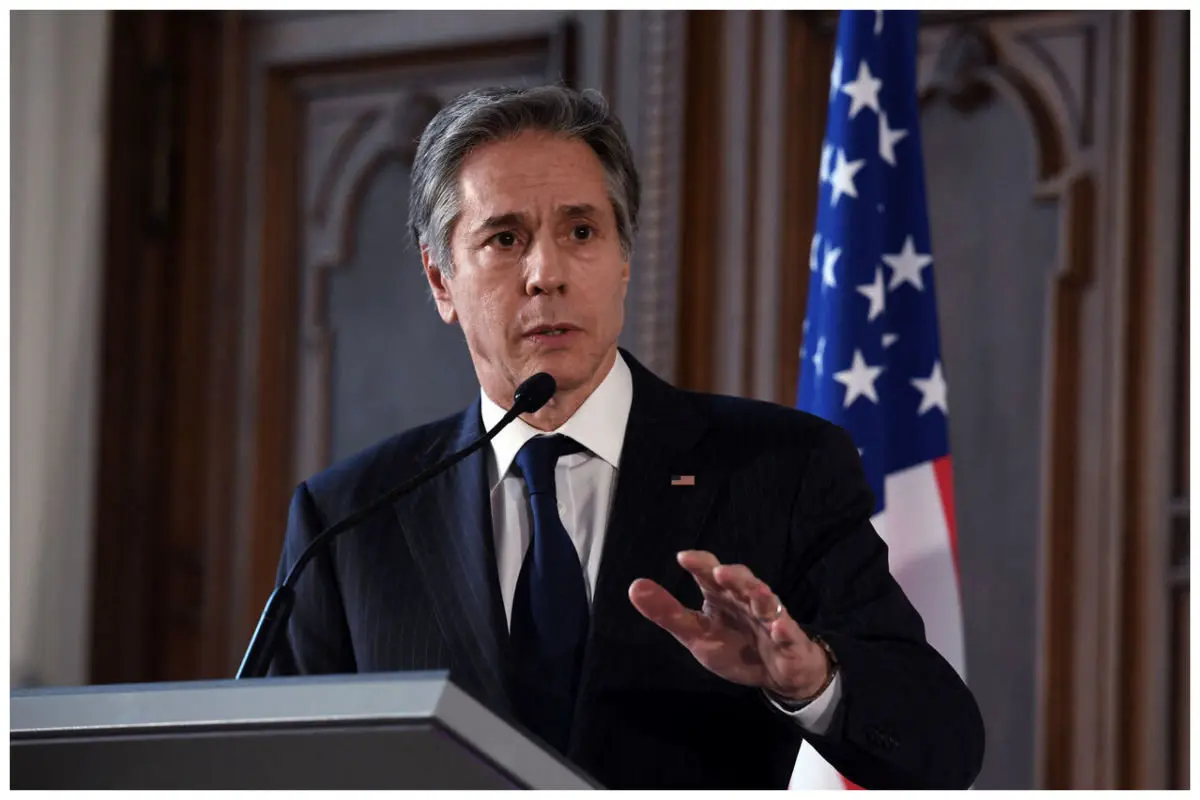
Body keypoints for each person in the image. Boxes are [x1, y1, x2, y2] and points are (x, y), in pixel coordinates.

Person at [269, 84, 985, 789]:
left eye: (581, 232)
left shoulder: (779, 469)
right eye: (505, 239)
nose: (547, 275)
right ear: (441, 279)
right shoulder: (349, 520)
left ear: (623, 258)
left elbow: (943, 748)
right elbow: (279, 768)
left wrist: (813, 683)